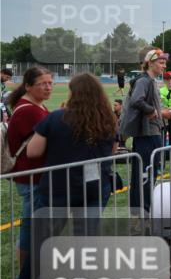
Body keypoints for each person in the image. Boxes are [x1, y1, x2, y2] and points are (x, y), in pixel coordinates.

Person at [28, 73, 116, 237]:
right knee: (84, 239)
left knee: (43, 242)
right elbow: (112, 150)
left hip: (59, 186)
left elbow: (33, 151)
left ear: (73, 93)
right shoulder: (108, 118)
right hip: (95, 186)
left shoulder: (56, 117)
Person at [1, 67, 53, 279]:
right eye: (42, 83)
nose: (48, 87)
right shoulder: (29, 110)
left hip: (35, 176)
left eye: (50, 82)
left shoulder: (35, 107)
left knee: (33, 226)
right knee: (32, 228)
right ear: (29, 86)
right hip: (31, 177)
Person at [120, 48, 171, 216]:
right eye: (161, 62)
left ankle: (142, 211)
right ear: (150, 63)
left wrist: (164, 111)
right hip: (148, 134)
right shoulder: (144, 81)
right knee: (145, 175)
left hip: (150, 133)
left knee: (147, 174)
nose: (164, 65)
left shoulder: (150, 81)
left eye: (165, 62)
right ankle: (142, 213)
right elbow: (136, 101)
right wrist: (156, 112)